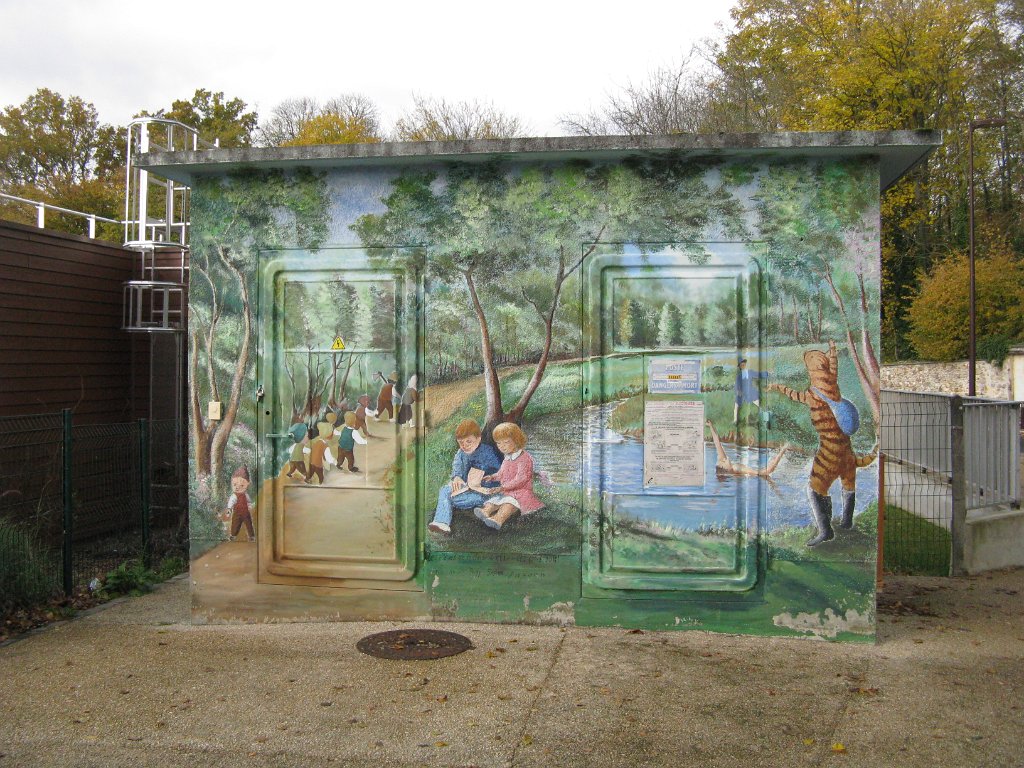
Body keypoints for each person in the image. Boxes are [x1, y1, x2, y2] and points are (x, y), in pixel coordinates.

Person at [427, 419, 502, 534]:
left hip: (484, 493)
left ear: (478, 439)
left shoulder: (487, 452)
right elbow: (457, 467)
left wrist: (481, 481)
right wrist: (457, 477)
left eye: (469, 442)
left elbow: (498, 473)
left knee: (451, 499)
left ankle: (444, 516)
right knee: (445, 490)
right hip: (467, 488)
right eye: (461, 443)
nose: (465, 446)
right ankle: (441, 522)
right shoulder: (460, 454)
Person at [474, 422, 544, 531]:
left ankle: (498, 519)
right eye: (498, 443)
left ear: (517, 441)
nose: (502, 446)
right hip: (507, 491)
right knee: (494, 501)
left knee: (508, 504)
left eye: (506, 442)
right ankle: (485, 511)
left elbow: (521, 479)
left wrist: (502, 487)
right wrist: (492, 477)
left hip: (521, 492)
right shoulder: (507, 457)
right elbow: (501, 473)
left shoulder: (524, 458)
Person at [706, 419, 788, 478]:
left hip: (751, 467)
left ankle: (778, 453)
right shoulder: (737, 469)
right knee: (766, 470)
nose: (726, 459)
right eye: (725, 462)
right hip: (755, 471)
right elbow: (766, 472)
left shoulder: (722, 461)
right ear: (727, 470)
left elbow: (717, 442)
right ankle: (782, 449)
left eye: (723, 460)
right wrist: (783, 450)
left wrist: (711, 426)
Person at [734, 358, 769, 423]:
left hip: (751, 393)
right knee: (736, 406)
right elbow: (736, 386)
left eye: (744, 364)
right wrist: (738, 392)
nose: (743, 366)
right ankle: (735, 421)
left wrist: (767, 373)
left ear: (745, 365)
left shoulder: (750, 372)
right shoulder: (739, 376)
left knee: (761, 405)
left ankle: (766, 419)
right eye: (741, 365)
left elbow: (758, 374)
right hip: (742, 395)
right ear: (739, 367)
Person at [225, 465, 255, 541]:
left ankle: (251, 536)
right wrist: (229, 510)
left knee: (249, 524)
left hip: (246, 513)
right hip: (237, 513)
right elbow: (230, 504)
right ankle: (233, 535)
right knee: (235, 524)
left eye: (242, 485)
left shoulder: (246, 495)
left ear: (247, 484)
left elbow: (249, 501)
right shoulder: (234, 496)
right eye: (235, 484)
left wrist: (250, 505)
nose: (237, 487)